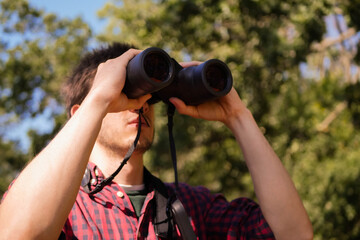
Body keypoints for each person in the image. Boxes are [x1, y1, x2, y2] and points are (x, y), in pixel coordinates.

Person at [0, 43, 313, 240]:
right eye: (124, 95)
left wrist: (238, 116)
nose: (138, 105)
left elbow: (293, 234)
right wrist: (100, 98)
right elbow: (16, 233)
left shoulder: (191, 207)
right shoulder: (60, 205)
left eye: (146, 97)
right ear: (81, 113)